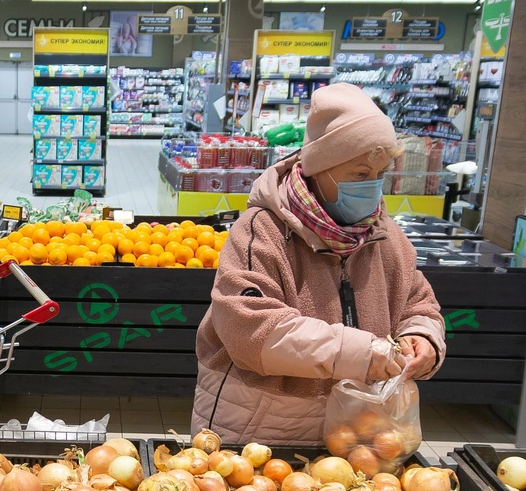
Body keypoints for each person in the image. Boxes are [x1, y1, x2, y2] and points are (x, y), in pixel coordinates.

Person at [191, 83, 446, 444]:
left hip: (356, 433)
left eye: (379, 174)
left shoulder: (386, 236)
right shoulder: (262, 230)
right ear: (319, 169)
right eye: (359, 174)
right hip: (260, 430)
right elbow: (248, 327)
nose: (372, 187)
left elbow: (418, 304)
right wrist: (365, 353)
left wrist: (422, 338)